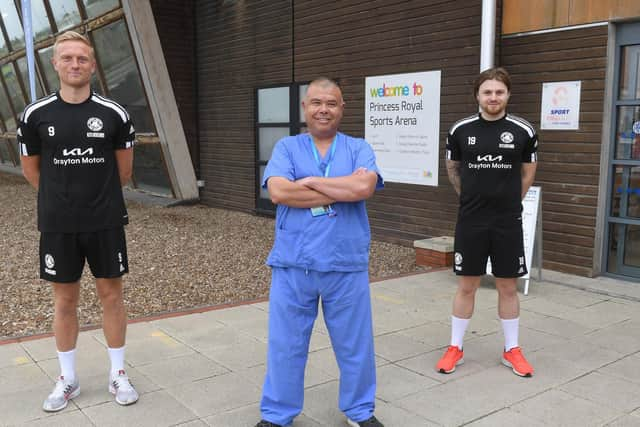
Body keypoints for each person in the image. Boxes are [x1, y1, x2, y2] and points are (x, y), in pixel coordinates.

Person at [18, 31, 139, 411]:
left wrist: (93, 199)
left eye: (81, 59)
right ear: (55, 64)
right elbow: (32, 172)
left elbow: (122, 174)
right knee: (64, 300)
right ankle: (67, 379)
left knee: (112, 296)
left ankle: (118, 374)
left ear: (92, 64)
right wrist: (62, 198)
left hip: (105, 221)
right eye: (66, 58)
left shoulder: (114, 113)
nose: (74, 65)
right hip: (58, 224)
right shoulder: (35, 115)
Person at [256, 78, 384, 427]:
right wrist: (341, 189)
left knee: (355, 345)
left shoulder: (358, 147)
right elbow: (280, 193)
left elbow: (364, 186)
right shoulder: (287, 147)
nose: (323, 109)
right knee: (286, 345)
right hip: (294, 263)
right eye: (316, 102)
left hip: (346, 263)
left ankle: (360, 411)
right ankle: (277, 414)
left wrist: (309, 182)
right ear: (305, 108)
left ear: (342, 108)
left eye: (331, 103)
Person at [436, 67, 538, 378]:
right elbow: (453, 168)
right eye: (487, 92)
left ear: (508, 94)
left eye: (499, 92)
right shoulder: (461, 129)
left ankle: (512, 350)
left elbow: (528, 172)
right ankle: (455, 347)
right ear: (477, 95)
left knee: (508, 286)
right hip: (471, 220)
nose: (493, 97)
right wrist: (470, 199)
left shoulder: (523, 130)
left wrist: (510, 202)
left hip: (507, 221)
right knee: (467, 285)